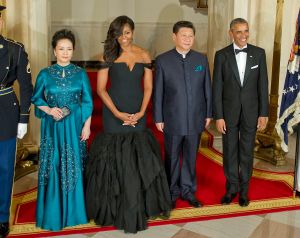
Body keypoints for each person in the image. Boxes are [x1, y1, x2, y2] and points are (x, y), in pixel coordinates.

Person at [85, 15, 171, 233]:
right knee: (114, 156)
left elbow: (149, 88)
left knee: (137, 154)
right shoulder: (109, 55)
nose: (123, 38)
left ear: (133, 32)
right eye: (119, 33)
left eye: (127, 32)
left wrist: (141, 112)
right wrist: (118, 113)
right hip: (114, 114)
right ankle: (113, 207)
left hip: (137, 113)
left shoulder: (144, 54)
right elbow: (101, 89)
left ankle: (137, 204)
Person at [31, 29, 93, 231]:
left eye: (69, 49)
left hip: (75, 124)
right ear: (54, 51)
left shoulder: (81, 73)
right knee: (54, 162)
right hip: (54, 125)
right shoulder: (45, 74)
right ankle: (53, 213)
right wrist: (49, 109)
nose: (65, 52)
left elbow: (87, 101)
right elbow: (37, 98)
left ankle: (75, 212)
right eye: (61, 49)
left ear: (73, 51)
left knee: (74, 162)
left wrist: (87, 125)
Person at [153, 21, 212, 209]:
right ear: (174, 37)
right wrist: (158, 117)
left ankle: (188, 191)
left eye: (191, 36)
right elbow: (158, 91)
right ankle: (171, 192)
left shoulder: (201, 60)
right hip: (172, 118)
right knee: (171, 156)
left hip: (196, 117)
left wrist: (209, 113)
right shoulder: (163, 60)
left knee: (190, 157)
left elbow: (207, 89)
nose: (187, 39)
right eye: (183, 35)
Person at [212, 18, 269, 207]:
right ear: (231, 33)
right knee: (229, 151)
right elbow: (217, 88)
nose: (244, 35)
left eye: (246, 31)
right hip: (228, 114)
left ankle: (244, 191)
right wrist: (218, 115)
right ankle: (231, 189)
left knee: (246, 152)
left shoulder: (259, 54)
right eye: (239, 32)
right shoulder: (221, 55)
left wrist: (264, 113)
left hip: (251, 112)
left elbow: (262, 86)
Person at [0, 5, 33, 238]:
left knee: (3, 169)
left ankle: (2, 218)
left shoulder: (15, 50)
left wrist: (23, 118)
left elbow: (27, 86)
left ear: (1, 22)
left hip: (5, 114)